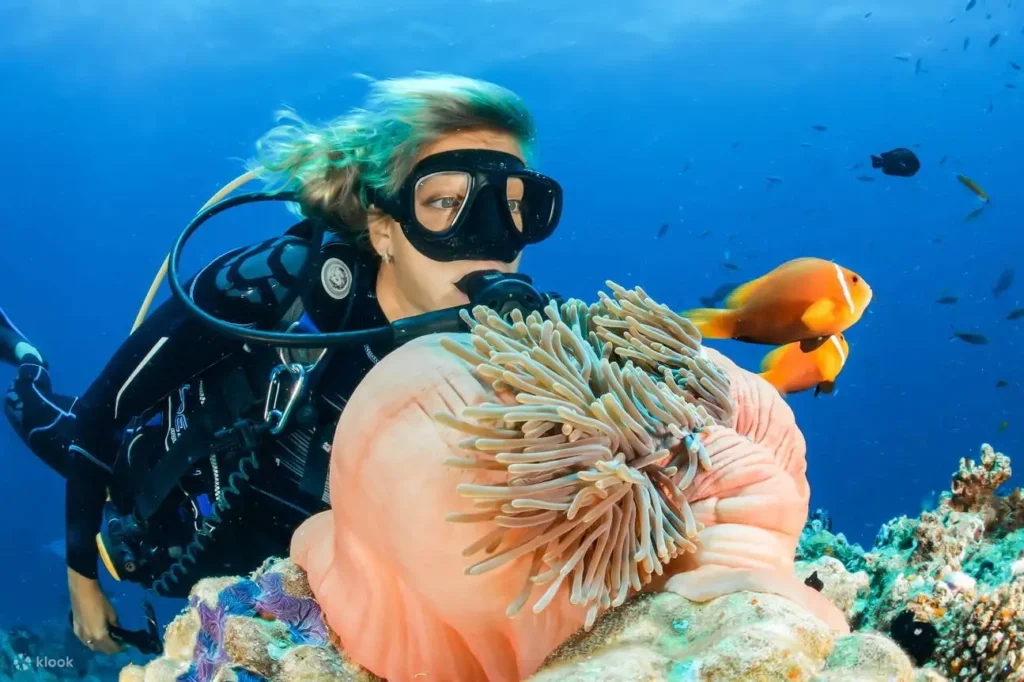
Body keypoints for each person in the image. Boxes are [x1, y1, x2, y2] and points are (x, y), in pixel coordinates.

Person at [1, 73, 564, 655]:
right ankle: (22, 355)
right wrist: (81, 582)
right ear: (383, 228)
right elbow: (102, 410)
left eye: (517, 207)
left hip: (291, 568)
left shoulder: (515, 351)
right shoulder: (268, 289)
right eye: (446, 202)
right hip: (154, 486)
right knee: (42, 417)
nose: (493, 238)